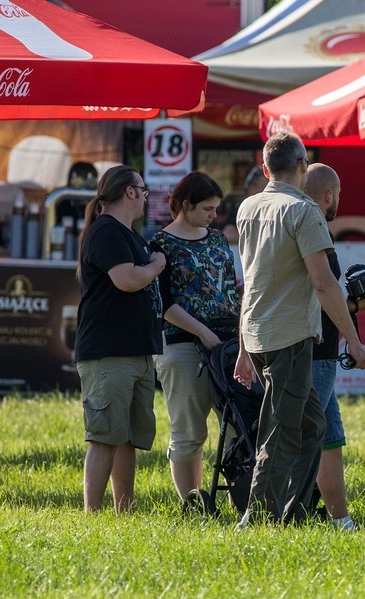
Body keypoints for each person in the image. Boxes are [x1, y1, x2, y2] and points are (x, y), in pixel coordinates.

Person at [232, 132, 365, 527]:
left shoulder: (248, 207)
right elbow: (324, 283)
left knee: (312, 425)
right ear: (302, 166)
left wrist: (242, 348)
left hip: (257, 333)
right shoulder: (305, 210)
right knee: (281, 432)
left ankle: (294, 514)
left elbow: (252, 281)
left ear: (265, 169)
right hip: (290, 336)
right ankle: (257, 520)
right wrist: (356, 343)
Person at [74, 165, 165, 513]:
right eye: (144, 190)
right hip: (109, 352)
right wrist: (156, 265)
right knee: (104, 437)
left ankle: (123, 512)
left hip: (136, 351)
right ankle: (92, 516)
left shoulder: (129, 234)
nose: (146, 197)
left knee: (128, 438)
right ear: (130, 191)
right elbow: (126, 280)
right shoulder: (107, 231)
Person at [151, 171, 242, 503]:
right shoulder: (159, 244)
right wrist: (202, 332)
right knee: (189, 431)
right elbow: (163, 304)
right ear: (185, 205)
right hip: (182, 345)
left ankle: (240, 496)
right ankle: (192, 502)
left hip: (228, 344)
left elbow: (229, 288)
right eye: (207, 208)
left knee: (239, 424)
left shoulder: (217, 238)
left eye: (216, 208)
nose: (213, 215)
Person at [304, 163, 365, 531]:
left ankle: (340, 520)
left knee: (330, 439)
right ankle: (280, 516)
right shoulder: (311, 227)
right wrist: (356, 337)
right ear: (329, 196)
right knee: (309, 439)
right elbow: (320, 291)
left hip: (317, 351)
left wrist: (352, 304)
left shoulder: (300, 224)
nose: (339, 201)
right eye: (339, 194)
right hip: (314, 352)